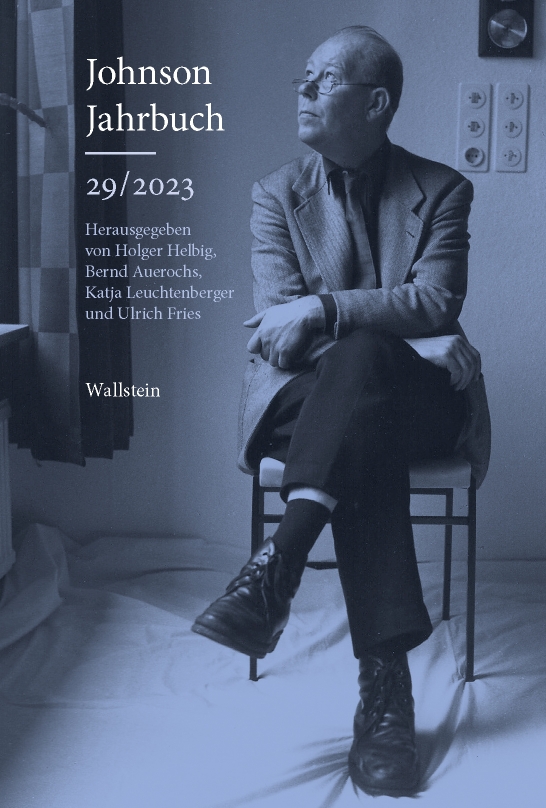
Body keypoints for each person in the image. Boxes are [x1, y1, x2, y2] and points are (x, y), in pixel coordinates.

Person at [192, 26, 490, 798]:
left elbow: (436, 299)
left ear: (375, 102)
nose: (302, 90)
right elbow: (279, 333)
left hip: (418, 404)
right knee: (363, 396)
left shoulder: (443, 190)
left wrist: (327, 309)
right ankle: (386, 695)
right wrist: (401, 337)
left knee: (366, 396)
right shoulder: (275, 194)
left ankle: (277, 568)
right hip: (302, 400)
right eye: (303, 77)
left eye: (321, 80)